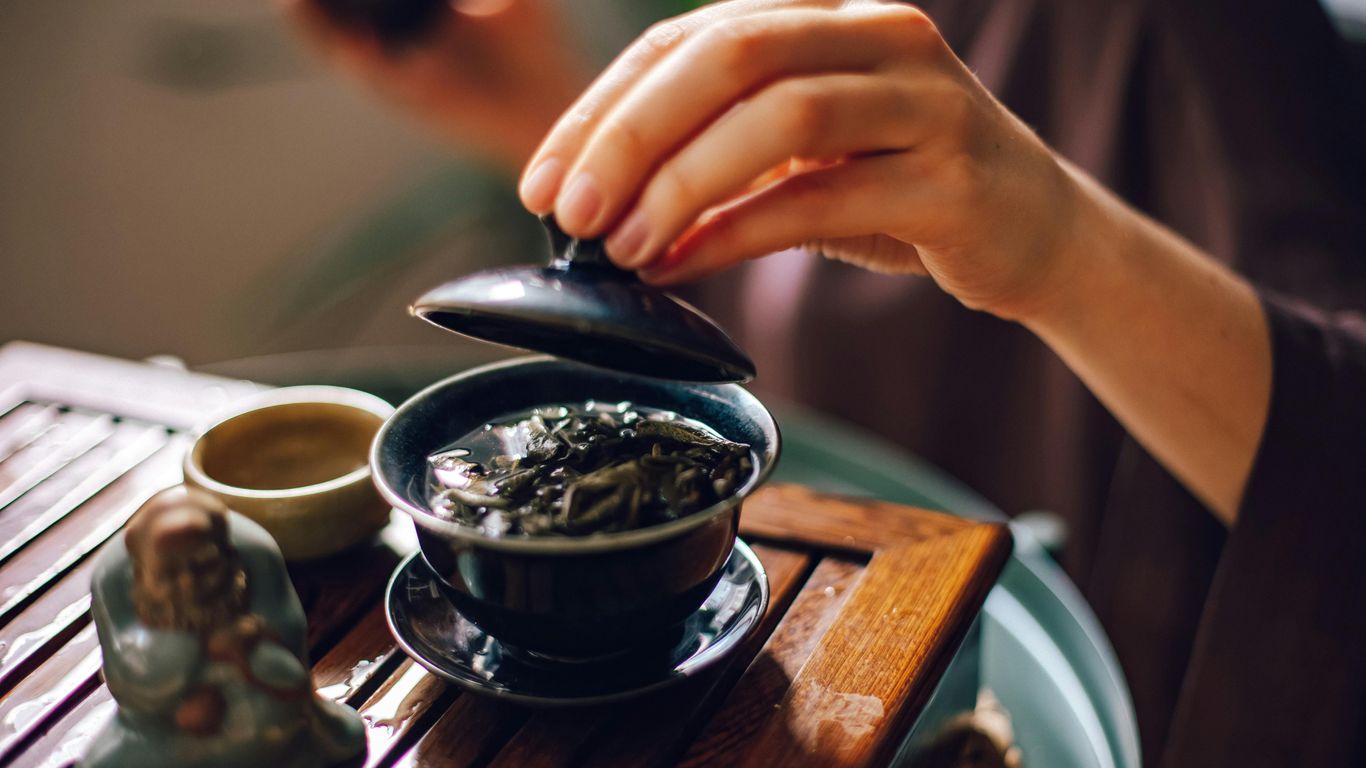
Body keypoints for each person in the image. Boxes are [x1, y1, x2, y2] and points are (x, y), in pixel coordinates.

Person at [288, 1, 1366, 764]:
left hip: (1034, 677)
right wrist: (533, 112)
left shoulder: (1195, 29)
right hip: (794, 643)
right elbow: (808, 310)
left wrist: (1055, 242)